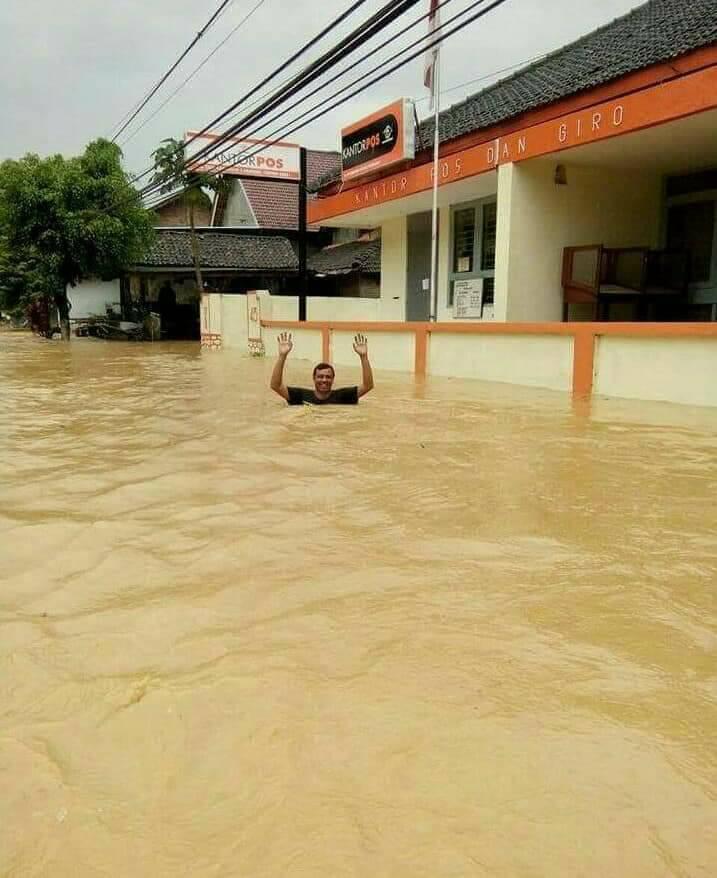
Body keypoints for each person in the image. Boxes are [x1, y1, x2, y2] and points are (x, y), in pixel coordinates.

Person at [270, 332, 374, 405]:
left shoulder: (343, 396)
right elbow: (276, 386)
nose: (324, 380)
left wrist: (363, 357)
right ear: (314, 378)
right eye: (320, 376)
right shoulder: (301, 396)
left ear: (333, 379)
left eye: (328, 377)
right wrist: (282, 356)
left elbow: (367, 386)